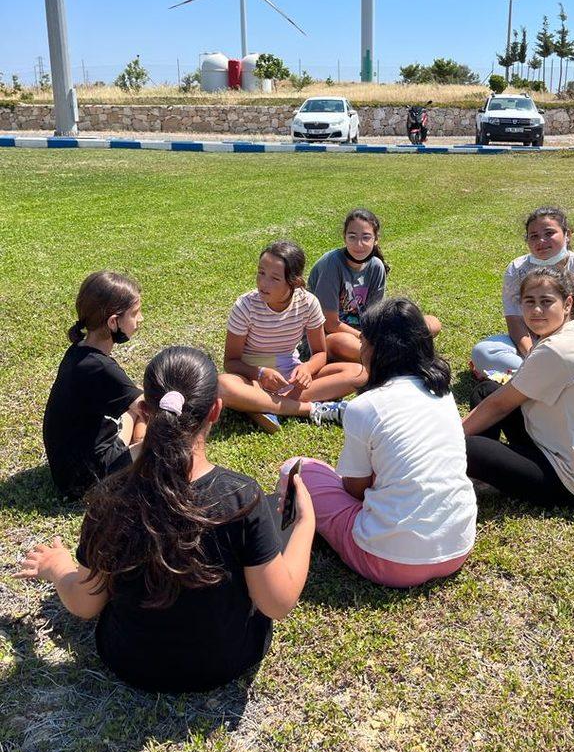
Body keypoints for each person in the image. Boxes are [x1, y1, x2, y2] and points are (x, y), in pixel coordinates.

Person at [19, 346, 316, 693]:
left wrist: (58, 567)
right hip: (227, 660)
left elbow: (85, 604)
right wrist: (305, 523)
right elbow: (276, 603)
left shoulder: (110, 495)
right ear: (216, 410)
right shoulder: (241, 498)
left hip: (128, 661)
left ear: (145, 410)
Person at [280, 298, 476, 588]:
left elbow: (355, 490)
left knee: (294, 470)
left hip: (388, 561)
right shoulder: (442, 393)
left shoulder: (365, 407)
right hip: (457, 548)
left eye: (363, 341)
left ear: (375, 349)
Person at [463, 267, 574, 508]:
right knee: (486, 391)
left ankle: (480, 470)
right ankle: (483, 477)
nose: (536, 310)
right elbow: (502, 396)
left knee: (463, 446)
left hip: (571, 481)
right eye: (529, 302)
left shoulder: (558, 348)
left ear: (567, 304)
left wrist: (447, 437)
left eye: (546, 302)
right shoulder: (563, 334)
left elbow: (500, 406)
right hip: (552, 444)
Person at [470, 206, 574, 388]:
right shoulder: (517, 269)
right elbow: (515, 321)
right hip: (531, 345)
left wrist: (558, 359)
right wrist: (533, 355)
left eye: (549, 233)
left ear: (567, 234)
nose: (541, 241)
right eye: (534, 236)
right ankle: (559, 386)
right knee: (483, 352)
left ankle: (527, 383)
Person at [218, 241, 365, 433]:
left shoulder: (308, 303)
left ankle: (263, 405)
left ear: (294, 281)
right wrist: (261, 373)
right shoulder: (245, 306)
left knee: (359, 372)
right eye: (261, 273)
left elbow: (320, 353)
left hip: (291, 380)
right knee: (223, 384)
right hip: (253, 379)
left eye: (275, 278)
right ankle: (309, 409)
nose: (263, 283)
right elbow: (231, 362)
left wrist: (307, 369)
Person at [43, 271, 147, 498]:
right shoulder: (101, 368)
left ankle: (137, 443)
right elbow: (154, 410)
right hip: (88, 479)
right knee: (164, 441)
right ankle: (139, 446)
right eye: (135, 313)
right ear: (113, 322)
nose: (140, 319)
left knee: (136, 403)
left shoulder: (79, 351)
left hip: (68, 469)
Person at [308, 208, 441, 363]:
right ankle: (395, 356)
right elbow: (330, 324)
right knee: (342, 342)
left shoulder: (376, 266)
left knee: (432, 323)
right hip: (330, 334)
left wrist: (378, 336)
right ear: (344, 237)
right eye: (352, 237)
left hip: (364, 332)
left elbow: (374, 315)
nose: (359, 244)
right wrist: (364, 338)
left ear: (375, 239)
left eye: (366, 237)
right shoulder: (332, 263)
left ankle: (386, 355)